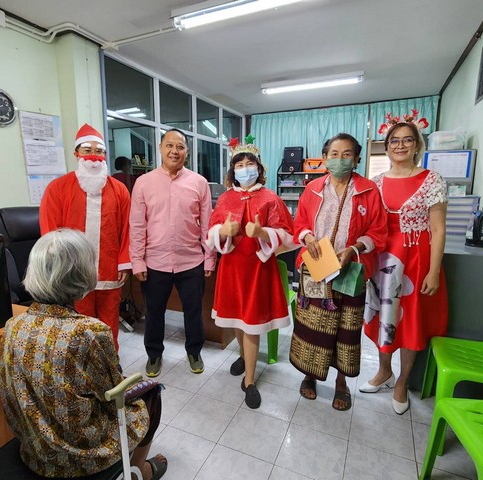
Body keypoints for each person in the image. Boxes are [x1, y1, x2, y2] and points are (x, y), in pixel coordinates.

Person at [0, 228, 167, 480]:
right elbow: (112, 393)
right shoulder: (88, 331)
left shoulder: (13, 325)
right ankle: (138, 471)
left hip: (33, 451)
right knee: (151, 392)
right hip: (80, 457)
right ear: (81, 275)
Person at [289, 133, 387, 411]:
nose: (340, 159)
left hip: (350, 272)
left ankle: (341, 383)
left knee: (346, 331)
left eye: (346, 154)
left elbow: (378, 232)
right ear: (325, 158)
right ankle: (310, 374)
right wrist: (308, 237)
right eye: (334, 154)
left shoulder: (368, 190)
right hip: (316, 270)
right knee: (312, 328)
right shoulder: (313, 189)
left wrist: (354, 249)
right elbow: (300, 224)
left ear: (356, 159)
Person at [360, 114, 448, 416]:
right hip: (383, 259)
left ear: (417, 145)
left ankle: (402, 382)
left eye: (407, 140)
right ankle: (384, 371)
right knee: (383, 317)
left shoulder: (432, 180)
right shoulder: (376, 183)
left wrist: (434, 271)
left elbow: (438, 229)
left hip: (416, 260)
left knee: (410, 322)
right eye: (394, 140)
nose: (400, 145)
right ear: (387, 147)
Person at [206, 135, 294, 409]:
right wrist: (223, 232)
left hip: (258, 269)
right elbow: (211, 232)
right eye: (240, 164)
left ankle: (250, 380)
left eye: (250, 163)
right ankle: (245, 357)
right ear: (233, 171)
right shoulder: (226, 198)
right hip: (232, 268)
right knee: (238, 319)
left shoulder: (270, 198)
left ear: (259, 167)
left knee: (252, 322)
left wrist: (262, 233)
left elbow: (288, 235)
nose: (245, 168)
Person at [129, 128, 216, 377]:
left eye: (179, 147)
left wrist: (209, 258)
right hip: (154, 261)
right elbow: (137, 224)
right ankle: (154, 355)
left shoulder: (199, 183)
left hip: (191, 261)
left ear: (186, 152)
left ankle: (194, 351)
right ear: (160, 148)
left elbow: (208, 224)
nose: (174, 151)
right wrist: (137, 260)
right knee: (154, 312)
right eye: (169, 146)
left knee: (193, 311)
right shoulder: (143, 183)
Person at [40, 123, 131, 351]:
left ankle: (110, 362)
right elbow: (50, 231)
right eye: (87, 150)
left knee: (109, 320)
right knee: (78, 320)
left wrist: (124, 262)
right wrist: (57, 265)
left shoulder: (119, 190)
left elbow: (128, 229)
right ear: (76, 154)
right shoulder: (57, 188)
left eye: (99, 151)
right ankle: (82, 364)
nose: (94, 156)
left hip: (109, 267)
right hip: (72, 268)